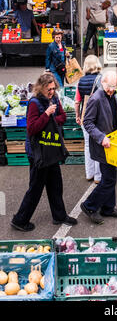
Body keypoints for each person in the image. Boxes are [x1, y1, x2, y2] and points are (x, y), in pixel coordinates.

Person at [11, 73, 77, 232]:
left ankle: (59, 216)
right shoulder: (34, 103)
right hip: (38, 152)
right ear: (41, 88)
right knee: (35, 187)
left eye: (54, 89)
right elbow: (32, 128)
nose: (52, 92)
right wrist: (47, 114)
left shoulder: (55, 99)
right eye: (49, 89)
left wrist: (52, 117)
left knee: (55, 184)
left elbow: (62, 117)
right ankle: (20, 220)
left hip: (51, 149)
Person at [80, 71, 117, 225]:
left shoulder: (112, 95)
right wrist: (101, 137)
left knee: (110, 177)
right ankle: (89, 206)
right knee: (109, 179)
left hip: (113, 144)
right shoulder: (96, 98)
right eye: (109, 87)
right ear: (103, 83)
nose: (111, 90)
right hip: (103, 145)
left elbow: (113, 116)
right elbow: (88, 123)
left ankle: (108, 208)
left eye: (114, 87)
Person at [75, 55, 102, 184]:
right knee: (98, 145)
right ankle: (98, 176)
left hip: (85, 116)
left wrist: (77, 116)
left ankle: (89, 173)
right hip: (98, 117)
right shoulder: (101, 79)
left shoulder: (81, 81)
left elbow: (77, 102)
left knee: (87, 145)